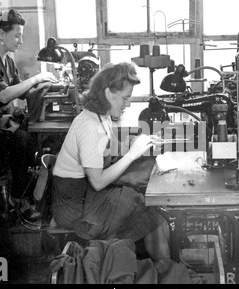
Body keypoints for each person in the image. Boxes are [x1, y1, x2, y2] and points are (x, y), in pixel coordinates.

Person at [51, 62, 170, 261]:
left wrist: (138, 142)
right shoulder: (90, 126)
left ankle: (163, 268)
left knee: (149, 209)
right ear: (108, 93)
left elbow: (109, 147)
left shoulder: (101, 116)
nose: (129, 104)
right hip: (74, 206)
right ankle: (163, 271)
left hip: (85, 194)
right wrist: (132, 154)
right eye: (125, 98)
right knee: (147, 210)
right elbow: (98, 182)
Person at [0, 9, 57, 220]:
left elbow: (22, 92)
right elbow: (4, 96)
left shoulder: (7, 60)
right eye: (17, 35)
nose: (21, 41)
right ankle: (18, 199)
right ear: (2, 35)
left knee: (34, 138)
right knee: (23, 139)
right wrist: (34, 79)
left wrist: (47, 85)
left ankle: (27, 196)